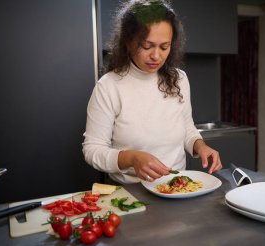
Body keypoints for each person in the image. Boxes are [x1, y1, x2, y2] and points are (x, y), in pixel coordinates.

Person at [82, 0, 222, 184]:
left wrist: (200, 146)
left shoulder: (179, 79)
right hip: (130, 192)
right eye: (147, 46)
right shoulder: (108, 86)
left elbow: (186, 128)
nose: (156, 56)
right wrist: (132, 158)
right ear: (128, 41)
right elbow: (92, 150)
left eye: (164, 47)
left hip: (176, 185)